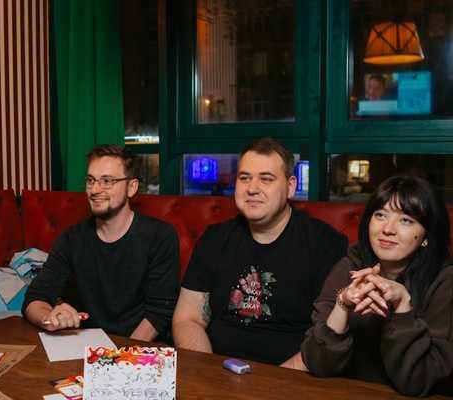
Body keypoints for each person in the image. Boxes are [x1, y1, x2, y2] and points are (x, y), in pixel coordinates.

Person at [172, 137, 348, 368]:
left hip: (291, 376)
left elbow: (327, 338)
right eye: (244, 178)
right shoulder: (215, 238)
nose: (252, 189)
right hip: (216, 368)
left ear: (291, 186)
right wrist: (210, 373)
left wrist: (273, 383)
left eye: (266, 179)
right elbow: (188, 318)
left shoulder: (325, 244)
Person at [301, 175, 453, 396]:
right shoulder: (351, 267)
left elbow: (417, 382)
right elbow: (318, 364)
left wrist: (403, 305)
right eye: (380, 215)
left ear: (426, 236)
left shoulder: (444, 281)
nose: (388, 229)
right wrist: (343, 304)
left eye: (406, 220)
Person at [23, 145, 179, 341]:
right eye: (90, 180)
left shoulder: (160, 236)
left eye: (107, 181)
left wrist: (123, 353)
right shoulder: (72, 239)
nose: (95, 190)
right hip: (85, 344)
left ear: (131, 187)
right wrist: (49, 318)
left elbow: (159, 313)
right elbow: (35, 298)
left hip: (139, 346)